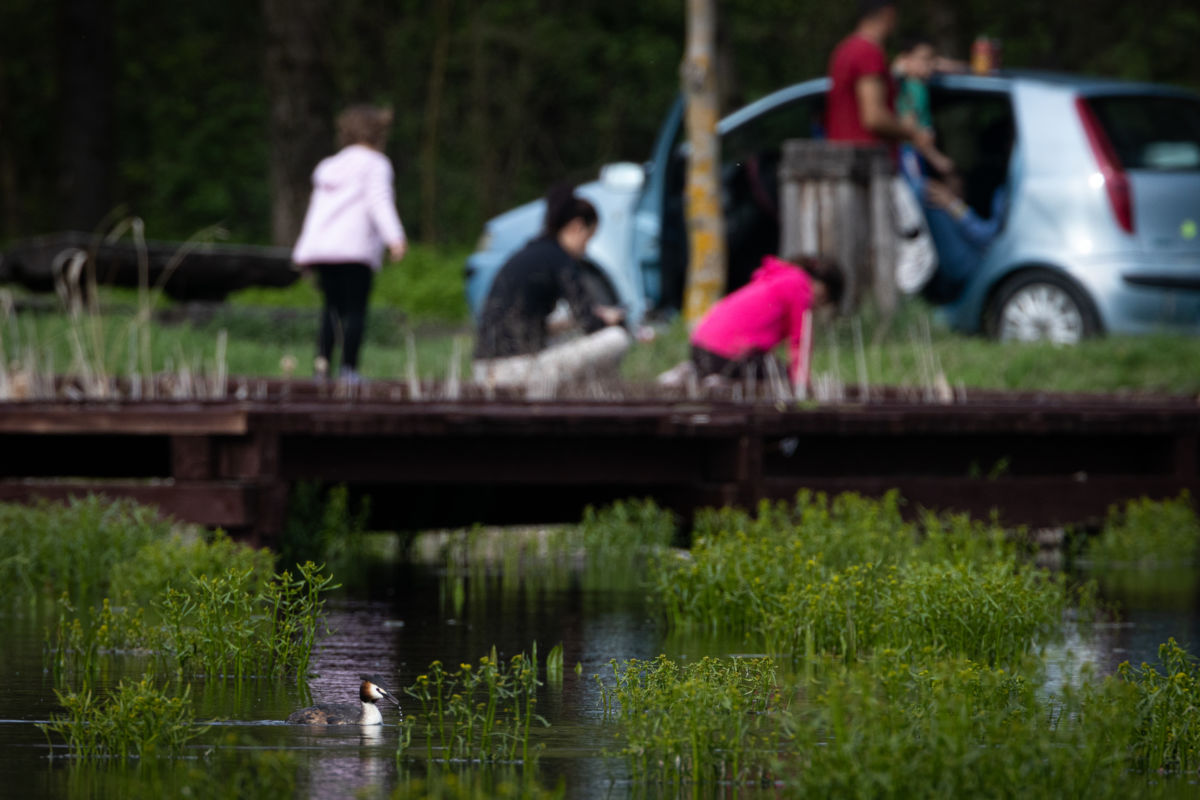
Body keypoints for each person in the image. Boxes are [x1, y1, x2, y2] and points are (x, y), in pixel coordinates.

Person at [473, 185, 629, 392]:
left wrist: (572, 322)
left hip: (484, 369)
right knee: (616, 339)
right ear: (576, 227)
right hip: (516, 371)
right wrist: (609, 318)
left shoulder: (529, 253)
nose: (586, 248)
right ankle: (600, 403)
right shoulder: (562, 260)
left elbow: (526, 322)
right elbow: (590, 324)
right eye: (588, 238)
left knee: (567, 337)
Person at [292, 104, 407, 382]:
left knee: (331, 309)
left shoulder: (329, 167)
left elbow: (317, 213)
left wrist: (304, 252)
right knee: (354, 310)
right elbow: (379, 202)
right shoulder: (376, 164)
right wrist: (395, 237)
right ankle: (349, 369)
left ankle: (321, 369)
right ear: (379, 134)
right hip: (355, 251)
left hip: (325, 252)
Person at [686, 254, 843, 390]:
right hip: (726, 356)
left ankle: (702, 376)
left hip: (700, 349)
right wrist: (801, 383)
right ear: (816, 281)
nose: (815, 304)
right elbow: (800, 340)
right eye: (821, 297)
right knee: (781, 381)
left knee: (772, 368)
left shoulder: (778, 278)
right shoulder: (799, 284)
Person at [825, 0, 936, 159]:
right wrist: (913, 133)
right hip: (866, 167)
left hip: (847, 163)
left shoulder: (844, 49)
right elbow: (874, 117)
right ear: (888, 14)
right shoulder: (868, 52)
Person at [893, 35, 954, 178]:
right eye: (925, 59)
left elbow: (942, 65)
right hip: (911, 154)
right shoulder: (911, 89)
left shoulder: (911, 85)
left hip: (915, 154)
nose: (930, 64)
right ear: (906, 60)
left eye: (932, 59)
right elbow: (910, 127)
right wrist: (937, 158)